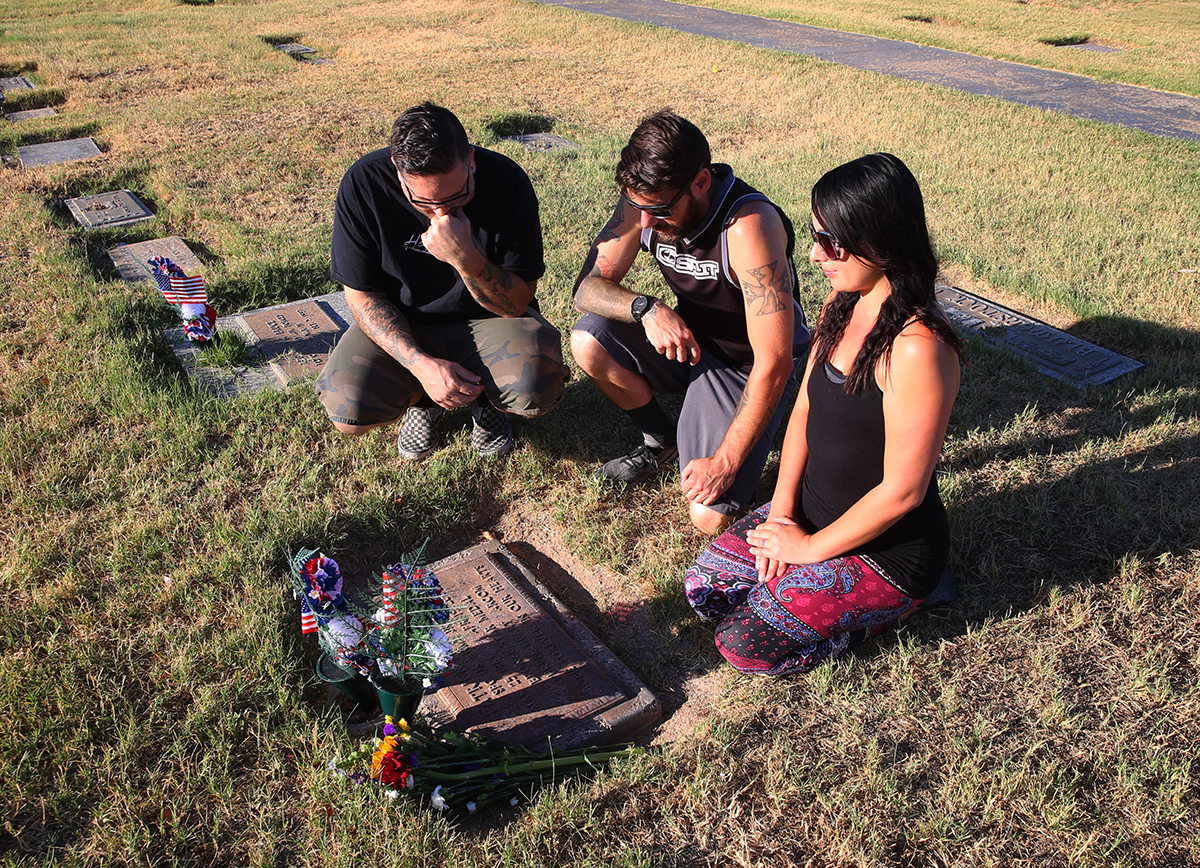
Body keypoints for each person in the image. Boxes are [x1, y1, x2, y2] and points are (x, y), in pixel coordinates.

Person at [683, 152, 965, 675]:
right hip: (809, 518)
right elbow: (804, 415)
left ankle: (904, 603)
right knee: (705, 588)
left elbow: (904, 491)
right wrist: (784, 514)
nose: (814, 256)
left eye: (829, 241)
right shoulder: (844, 302)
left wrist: (809, 549)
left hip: (889, 552)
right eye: (814, 237)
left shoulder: (917, 346)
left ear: (880, 238)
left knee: (743, 646)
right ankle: (811, 579)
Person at [571, 110, 810, 535]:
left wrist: (725, 462)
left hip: (746, 364)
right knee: (588, 339)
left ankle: (771, 418)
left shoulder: (747, 226)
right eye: (638, 208)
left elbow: (774, 361)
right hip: (693, 341)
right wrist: (646, 308)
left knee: (708, 515)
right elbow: (587, 290)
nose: (645, 223)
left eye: (660, 209)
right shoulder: (644, 204)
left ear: (700, 182)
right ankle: (659, 441)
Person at [315, 102, 569, 459]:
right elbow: (361, 297)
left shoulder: (508, 181)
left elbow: (517, 302)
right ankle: (423, 401)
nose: (442, 215)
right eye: (424, 203)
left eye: (456, 197)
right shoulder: (364, 183)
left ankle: (487, 404)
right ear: (399, 173)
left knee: (534, 387)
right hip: (407, 321)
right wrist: (420, 366)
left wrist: (465, 258)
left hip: (491, 321)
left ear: (471, 161)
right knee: (348, 408)